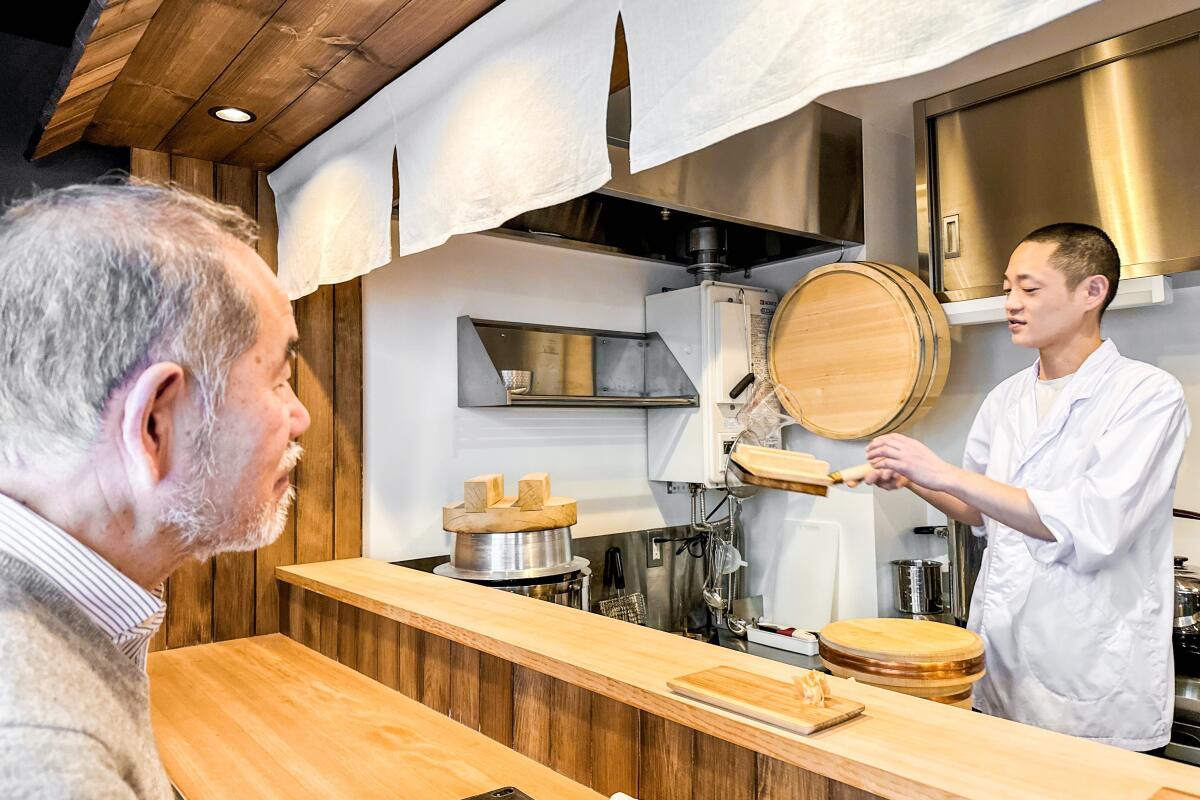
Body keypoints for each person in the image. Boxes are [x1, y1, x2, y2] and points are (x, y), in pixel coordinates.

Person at [0, 181, 310, 797]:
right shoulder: (47, 754)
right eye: (279, 379)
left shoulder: (68, 621)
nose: (300, 416)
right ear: (153, 426)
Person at [855, 223, 1190, 751]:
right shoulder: (1007, 397)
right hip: (1001, 663)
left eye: (1028, 289)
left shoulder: (1147, 394)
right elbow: (976, 508)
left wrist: (942, 470)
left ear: (1092, 292)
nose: (1009, 302)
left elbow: (1092, 525)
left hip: (1092, 674)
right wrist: (916, 479)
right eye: (1007, 287)